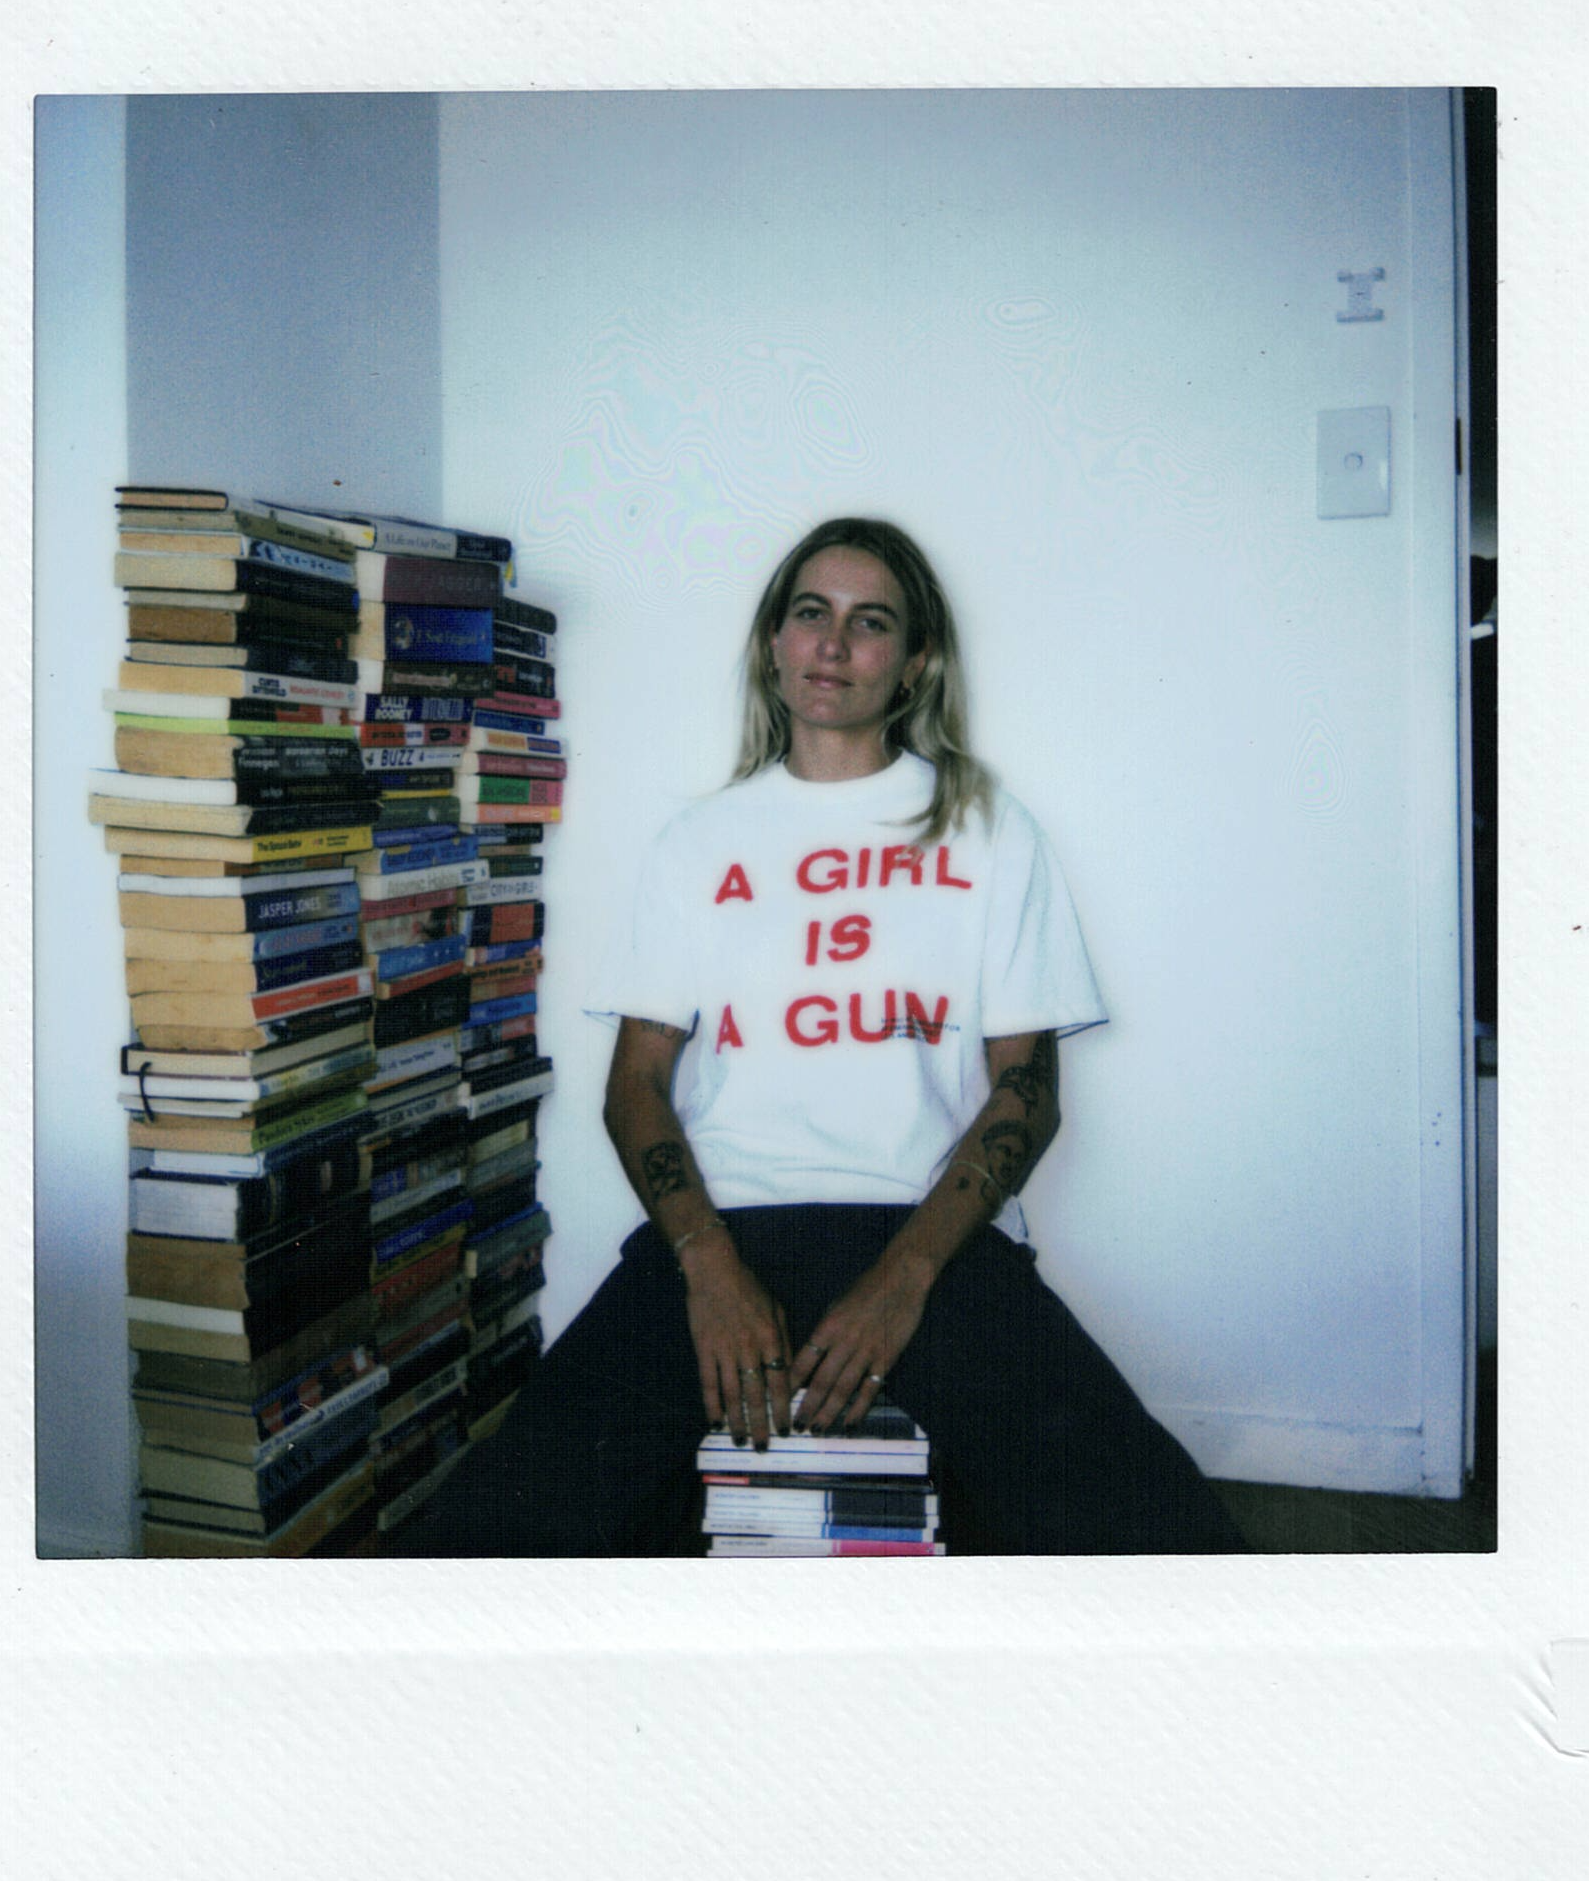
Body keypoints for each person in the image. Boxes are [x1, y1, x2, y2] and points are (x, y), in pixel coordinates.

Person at [388, 517, 1246, 1555]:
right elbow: (636, 1087)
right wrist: (705, 1266)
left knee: (1155, 1535)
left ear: (914, 660)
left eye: (868, 622)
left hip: (929, 1234)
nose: (832, 645)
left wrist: (905, 1279)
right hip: (722, 1225)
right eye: (810, 614)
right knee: (493, 1534)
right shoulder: (697, 843)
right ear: (772, 644)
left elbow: (1027, 1091)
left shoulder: (987, 829)